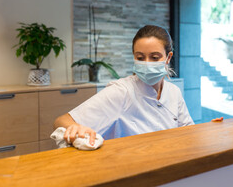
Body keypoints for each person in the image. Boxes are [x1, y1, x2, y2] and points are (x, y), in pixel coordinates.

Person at [54, 25, 194, 146]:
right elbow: (61, 120)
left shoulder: (173, 92)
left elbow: (189, 132)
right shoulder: (122, 91)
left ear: (168, 57)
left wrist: (214, 125)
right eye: (140, 57)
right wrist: (75, 128)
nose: (146, 63)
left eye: (155, 57)